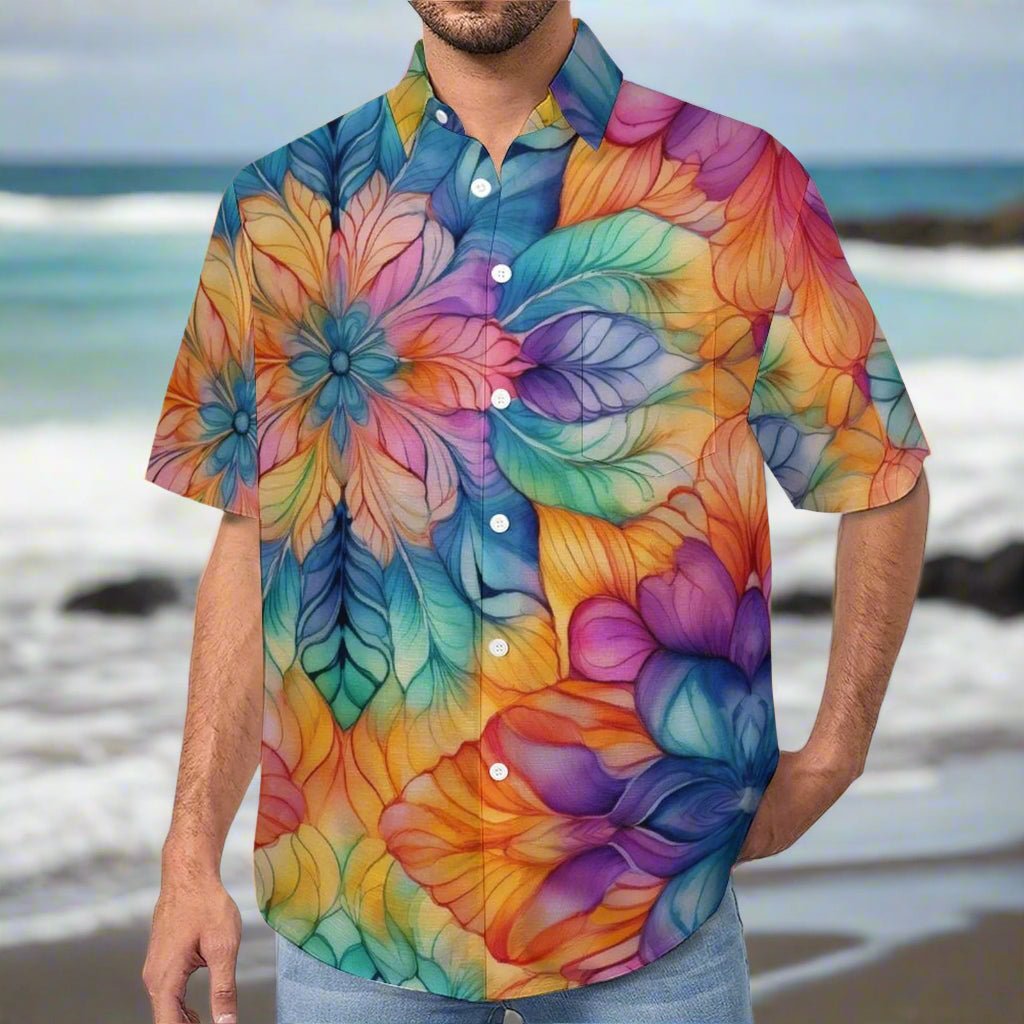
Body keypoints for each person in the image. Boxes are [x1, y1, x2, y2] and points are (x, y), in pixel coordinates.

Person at [140, 3, 931, 1022]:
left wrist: (836, 749)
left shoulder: (736, 184)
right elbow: (250, 542)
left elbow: (878, 470)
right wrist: (188, 852)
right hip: (357, 918)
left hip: (652, 914)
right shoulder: (280, 209)